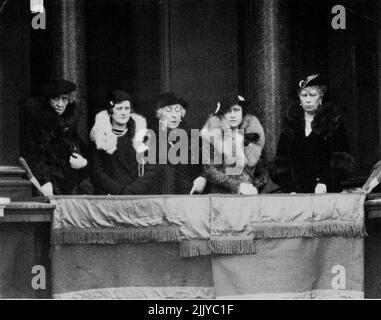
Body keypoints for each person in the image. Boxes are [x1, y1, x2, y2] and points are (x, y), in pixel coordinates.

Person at [270, 74, 355, 193]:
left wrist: (326, 183)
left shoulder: (333, 123)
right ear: (299, 98)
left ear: (320, 98)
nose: (308, 100)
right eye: (304, 95)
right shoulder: (291, 124)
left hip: (325, 192)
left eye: (312, 95)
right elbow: (280, 163)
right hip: (295, 194)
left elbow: (342, 161)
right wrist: (289, 189)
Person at [23, 78, 89, 195]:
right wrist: (44, 181)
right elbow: (35, 156)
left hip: (68, 186)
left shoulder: (69, 124)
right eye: (55, 98)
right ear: (48, 100)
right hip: (47, 187)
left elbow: (81, 149)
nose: (60, 104)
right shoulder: (38, 122)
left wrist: (83, 162)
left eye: (64, 99)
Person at [90, 90, 159, 195]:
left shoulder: (142, 135)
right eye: (119, 108)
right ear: (110, 111)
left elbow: (152, 169)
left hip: (136, 196)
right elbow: (97, 173)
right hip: (109, 197)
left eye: (127, 108)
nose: (124, 112)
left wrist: (133, 190)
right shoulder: (100, 137)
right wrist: (120, 191)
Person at [201, 95, 268, 194]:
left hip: (248, 198)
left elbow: (263, 172)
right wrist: (237, 186)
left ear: (242, 112)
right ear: (222, 114)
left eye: (236, 110)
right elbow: (210, 170)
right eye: (228, 111)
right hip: (221, 197)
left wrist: (254, 188)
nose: (232, 115)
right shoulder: (213, 136)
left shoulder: (252, 138)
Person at [149, 92, 207, 194]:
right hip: (161, 199)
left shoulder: (193, 138)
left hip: (189, 198)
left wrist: (203, 178)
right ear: (159, 113)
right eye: (168, 110)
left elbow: (205, 165)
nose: (174, 115)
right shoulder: (150, 138)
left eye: (178, 110)